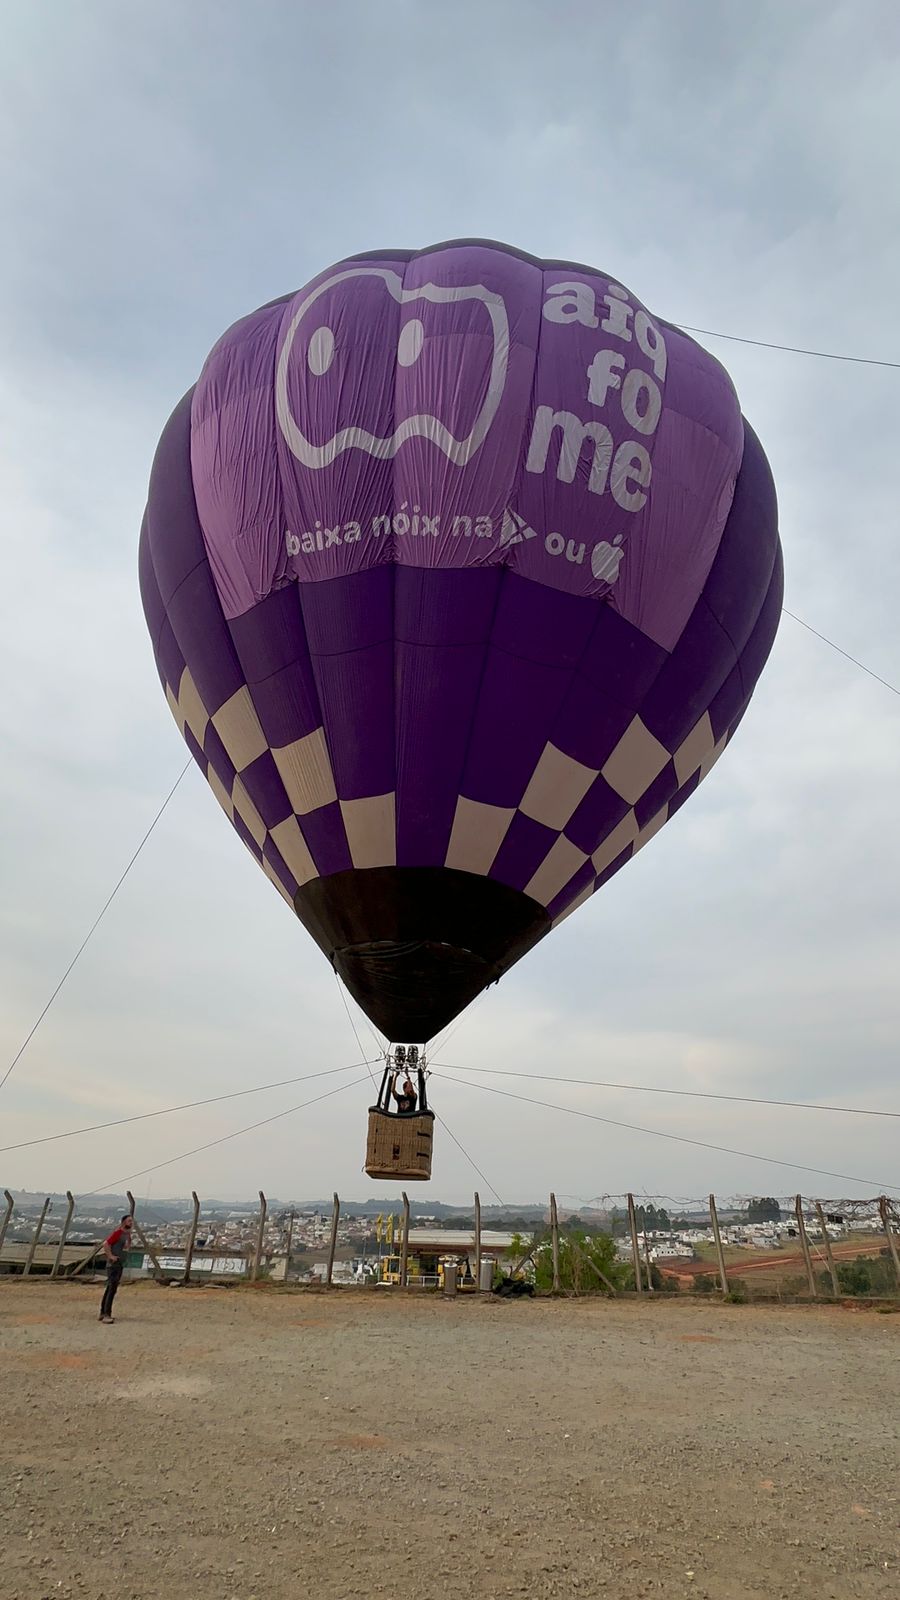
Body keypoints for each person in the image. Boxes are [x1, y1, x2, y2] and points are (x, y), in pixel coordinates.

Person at [99, 1213, 133, 1323]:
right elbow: (106, 1244)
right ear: (123, 1222)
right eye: (129, 1221)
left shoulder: (126, 1235)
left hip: (119, 1263)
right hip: (113, 1264)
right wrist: (110, 1256)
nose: (131, 1223)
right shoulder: (118, 1233)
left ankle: (103, 1312)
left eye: (131, 1221)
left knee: (111, 1288)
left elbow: (126, 1247)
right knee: (112, 1288)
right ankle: (106, 1314)